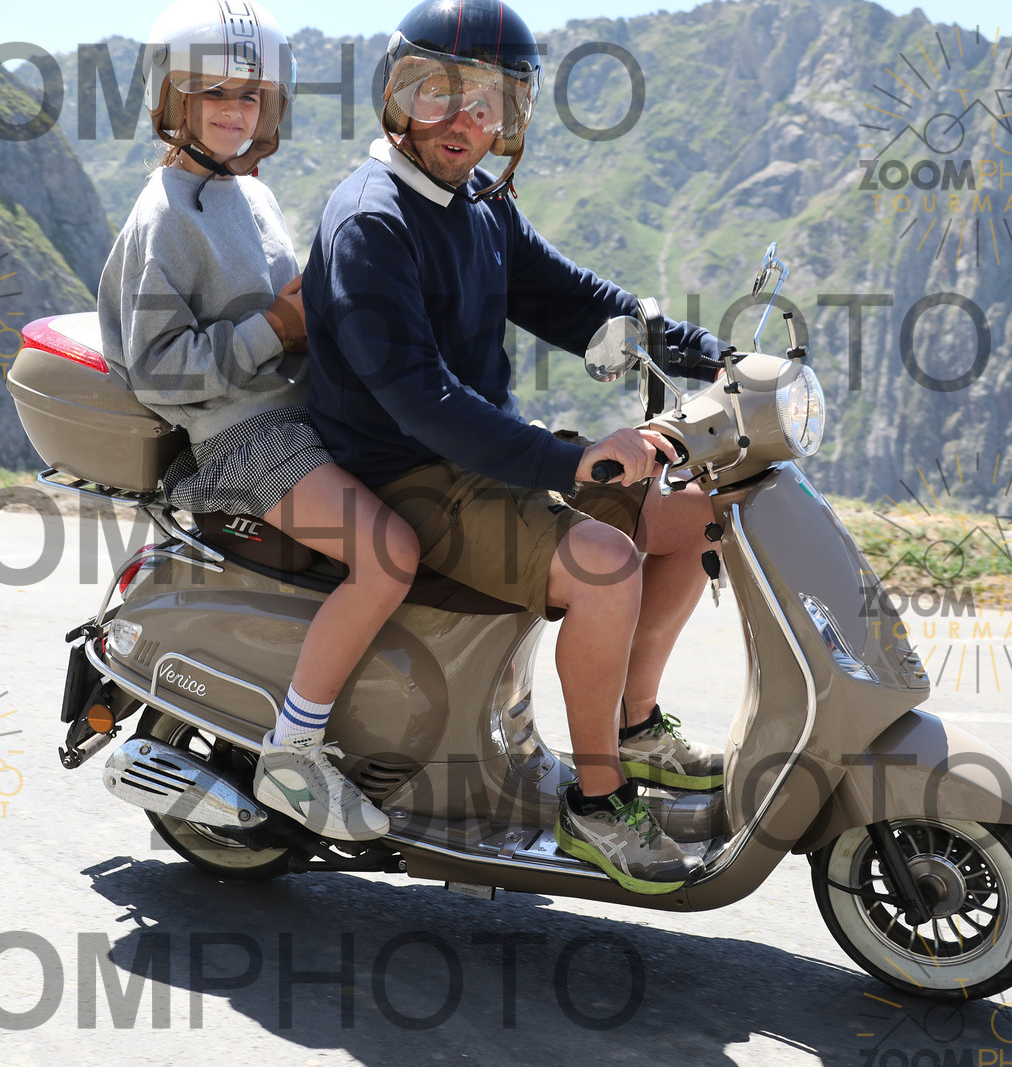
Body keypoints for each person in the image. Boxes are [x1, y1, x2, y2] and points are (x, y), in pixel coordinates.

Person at [302, 0, 732, 893]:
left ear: (513, 115)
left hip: (483, 459)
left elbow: (581, 304)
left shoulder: (480, 206)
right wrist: (569, 462)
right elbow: (422, 402)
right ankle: (597, 802)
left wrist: (716, 355)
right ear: (397, 94)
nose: (464, 121)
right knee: (606, 564)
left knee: (695, 510)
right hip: (409, 474)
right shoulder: (372, 223)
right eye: (437, 92)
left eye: (490, 101)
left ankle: (635, 724)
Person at [97, 0, 420, 843]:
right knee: (388, 556)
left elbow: (296, 310)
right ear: (173, 99)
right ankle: (293, 754)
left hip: (301, 412)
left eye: (252, 96)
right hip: (243, 438)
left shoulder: (252, 195)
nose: (236, 111)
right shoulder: (164, 216)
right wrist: (274, 327)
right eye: (215, 94)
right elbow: (159, 370)